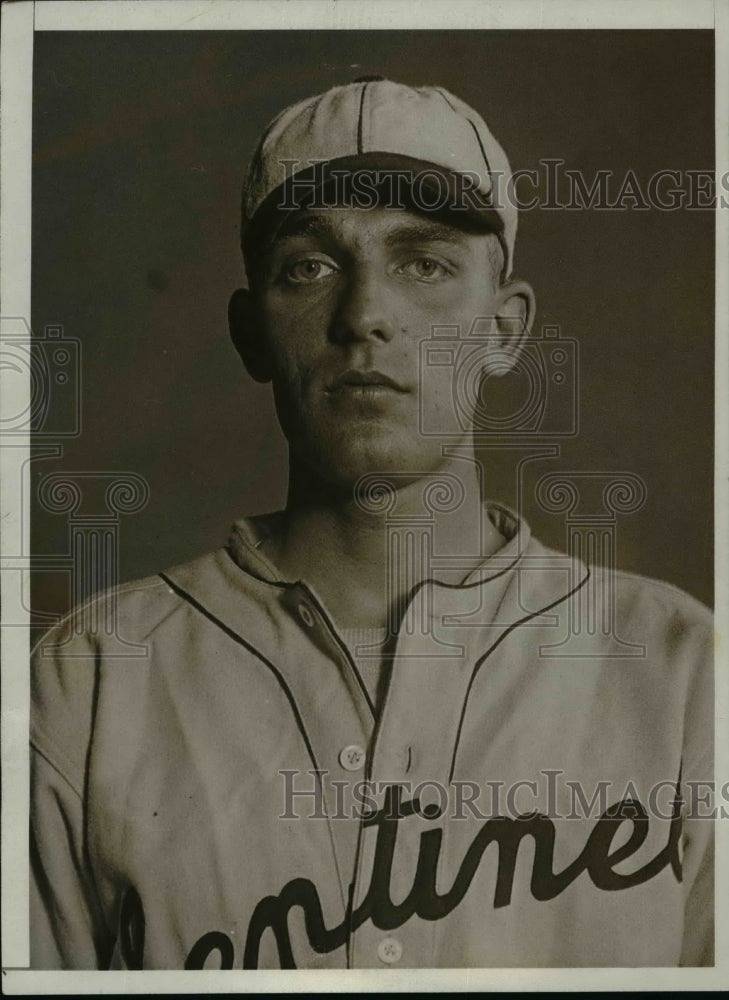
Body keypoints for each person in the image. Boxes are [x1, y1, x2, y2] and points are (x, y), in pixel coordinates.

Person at [30, 78, 714, 970]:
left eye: (422, 263)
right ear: (250, 332)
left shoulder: (684, 672)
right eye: (307, 268)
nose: (364, 318)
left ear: (505, 328)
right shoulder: (88, 680)